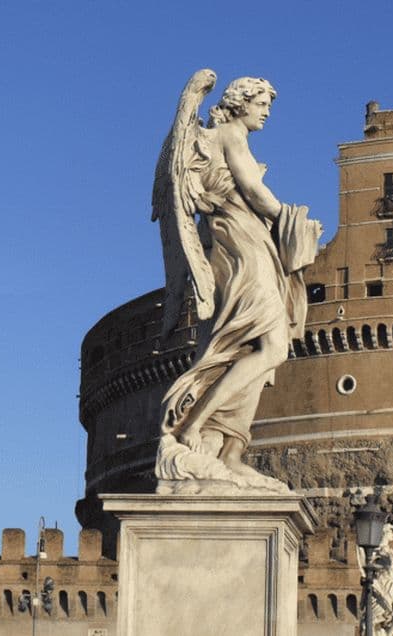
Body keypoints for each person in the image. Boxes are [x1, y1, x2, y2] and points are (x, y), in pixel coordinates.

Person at [156, 76, 322, 486]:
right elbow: (253, 191)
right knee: (270, 346)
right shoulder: (229, 135)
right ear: (240, 102)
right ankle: (195, 424)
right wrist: (295, 218)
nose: (266, 111)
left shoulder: (226, 139)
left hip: (251, 242)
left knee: (254, 350)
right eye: (261, 103)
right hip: (242, 248)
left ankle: (230, 452)